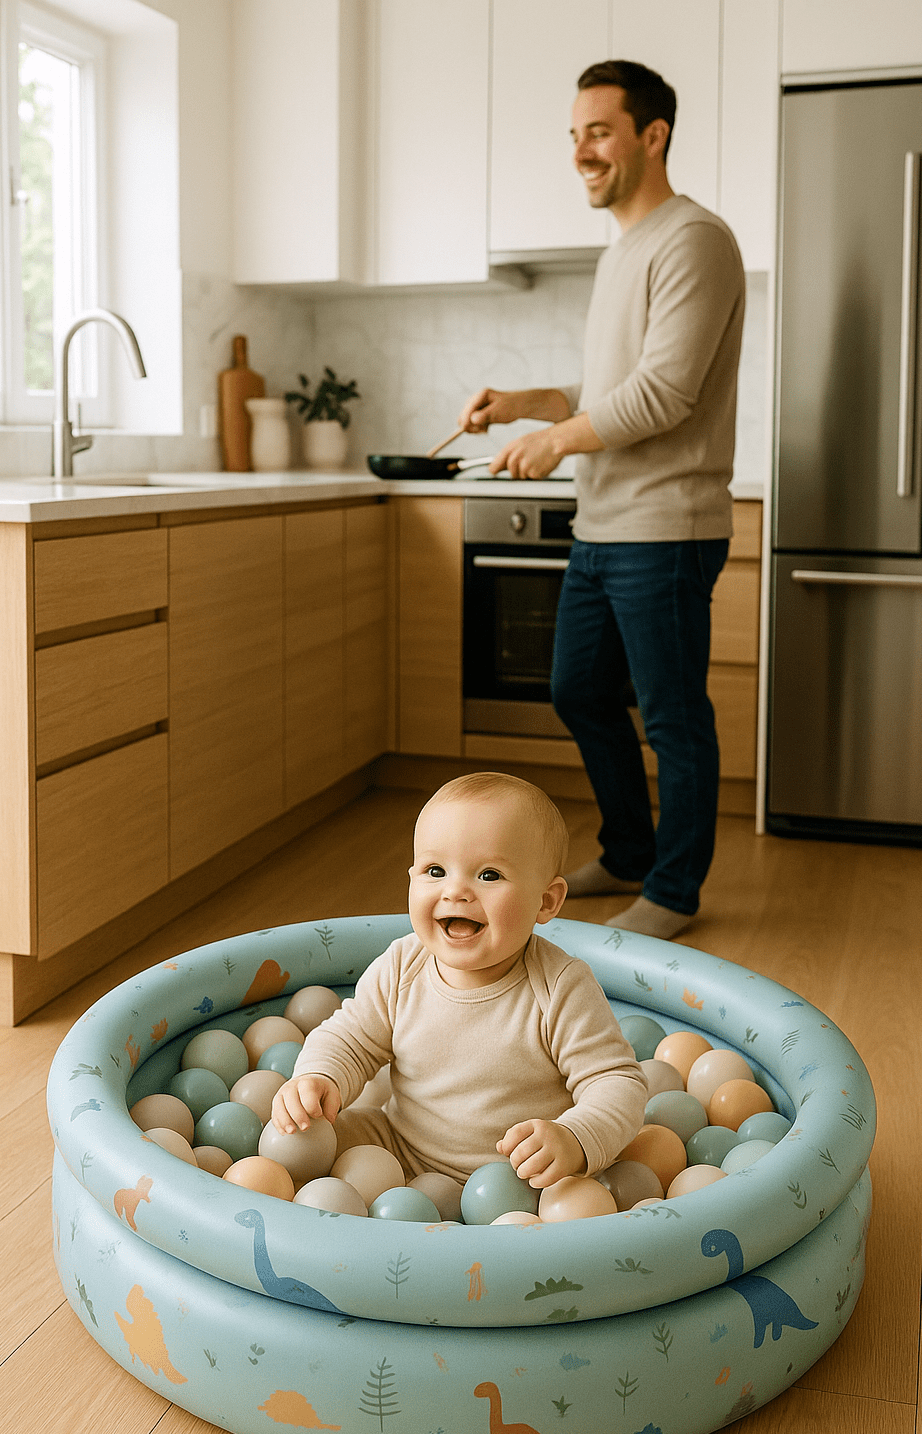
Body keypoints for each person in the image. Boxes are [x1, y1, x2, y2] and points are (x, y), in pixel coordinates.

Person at [458, 60, 745, 941]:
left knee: (673, 718)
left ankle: (673, 888)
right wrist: (534, 403)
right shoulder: (624, 247)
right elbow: (611, 386)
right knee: (578, 689)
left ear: (651, 136)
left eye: (600, 131)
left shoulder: (692, 239)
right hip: (608, 523)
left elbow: (664, 393)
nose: (581, 150)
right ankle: (626, 851)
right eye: (575, 133)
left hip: (665, 526)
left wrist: (555, 441)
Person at [270, 772, 648, 1189]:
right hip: (398, 1147)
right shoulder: (401, 966)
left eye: (488, 875)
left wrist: (575, 1138)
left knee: (573, 1201)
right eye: (435, 870)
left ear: (546, 901)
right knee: (297, 1143)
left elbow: (616, 1083)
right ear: (411, 878)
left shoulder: (560, 987)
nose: (456, 891)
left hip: (520, 1181)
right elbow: (351, 1039)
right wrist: (318, 1078)